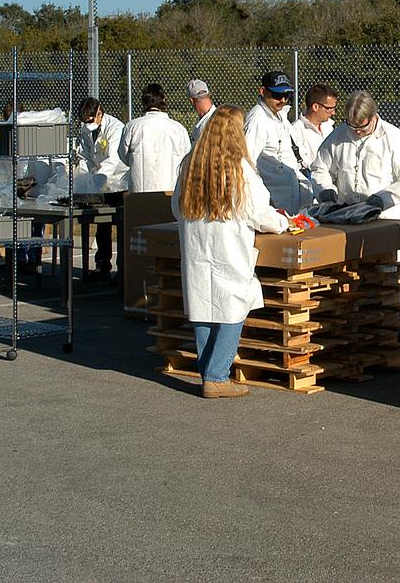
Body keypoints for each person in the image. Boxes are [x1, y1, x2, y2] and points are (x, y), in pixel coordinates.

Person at [172, 106, 291, 399]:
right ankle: (216, 376)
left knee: (203, 306)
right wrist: (283, 222)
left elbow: (176, 207)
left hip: (197, 245)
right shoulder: (240, 168)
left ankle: (208, 372)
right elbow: (259, 212)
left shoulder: (191, 163)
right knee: (234, 306)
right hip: (229, 248)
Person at [310, 90, 400, 219]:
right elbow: (320, 168)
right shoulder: (337, 136)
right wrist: (325, 189)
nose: (357, 132)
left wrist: (383, 199)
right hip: (348, 214)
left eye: (362, 128)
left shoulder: (394, 138)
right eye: (352, 127)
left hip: (386, 217)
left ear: (373, 117)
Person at [76, 96, 131, 280]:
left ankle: (122, 270)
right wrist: (84, 178)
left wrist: (98, 181)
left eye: (91, 121)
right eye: (85, 122)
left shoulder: (115, 128)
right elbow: (84, 155)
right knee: (102, 223)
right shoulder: (86, 128)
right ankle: (102, 265)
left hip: (117, 180)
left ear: (100, 113)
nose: (88, 125)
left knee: (120, 224)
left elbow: (113, 161)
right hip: (98, 180)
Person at [243, 71, 310, 213]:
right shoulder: (258, 120)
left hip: (291, 194)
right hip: (274, 199)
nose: (283, 100)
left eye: (287, 96)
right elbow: (247, 161)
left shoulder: (279, 115)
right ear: (262, 92)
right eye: (277, 95)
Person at [119, 84, 191, 194]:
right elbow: (186, 159)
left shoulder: (132, 127)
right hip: (170, 193)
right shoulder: (178, 129)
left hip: (139, 193)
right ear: (164, 99)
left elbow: (123, 156)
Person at [292, 84, 337, 170]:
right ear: (315, 107)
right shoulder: (296, 130)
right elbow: (303, 164)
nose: (333, 113)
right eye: (329, 108)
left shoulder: (330, 127)